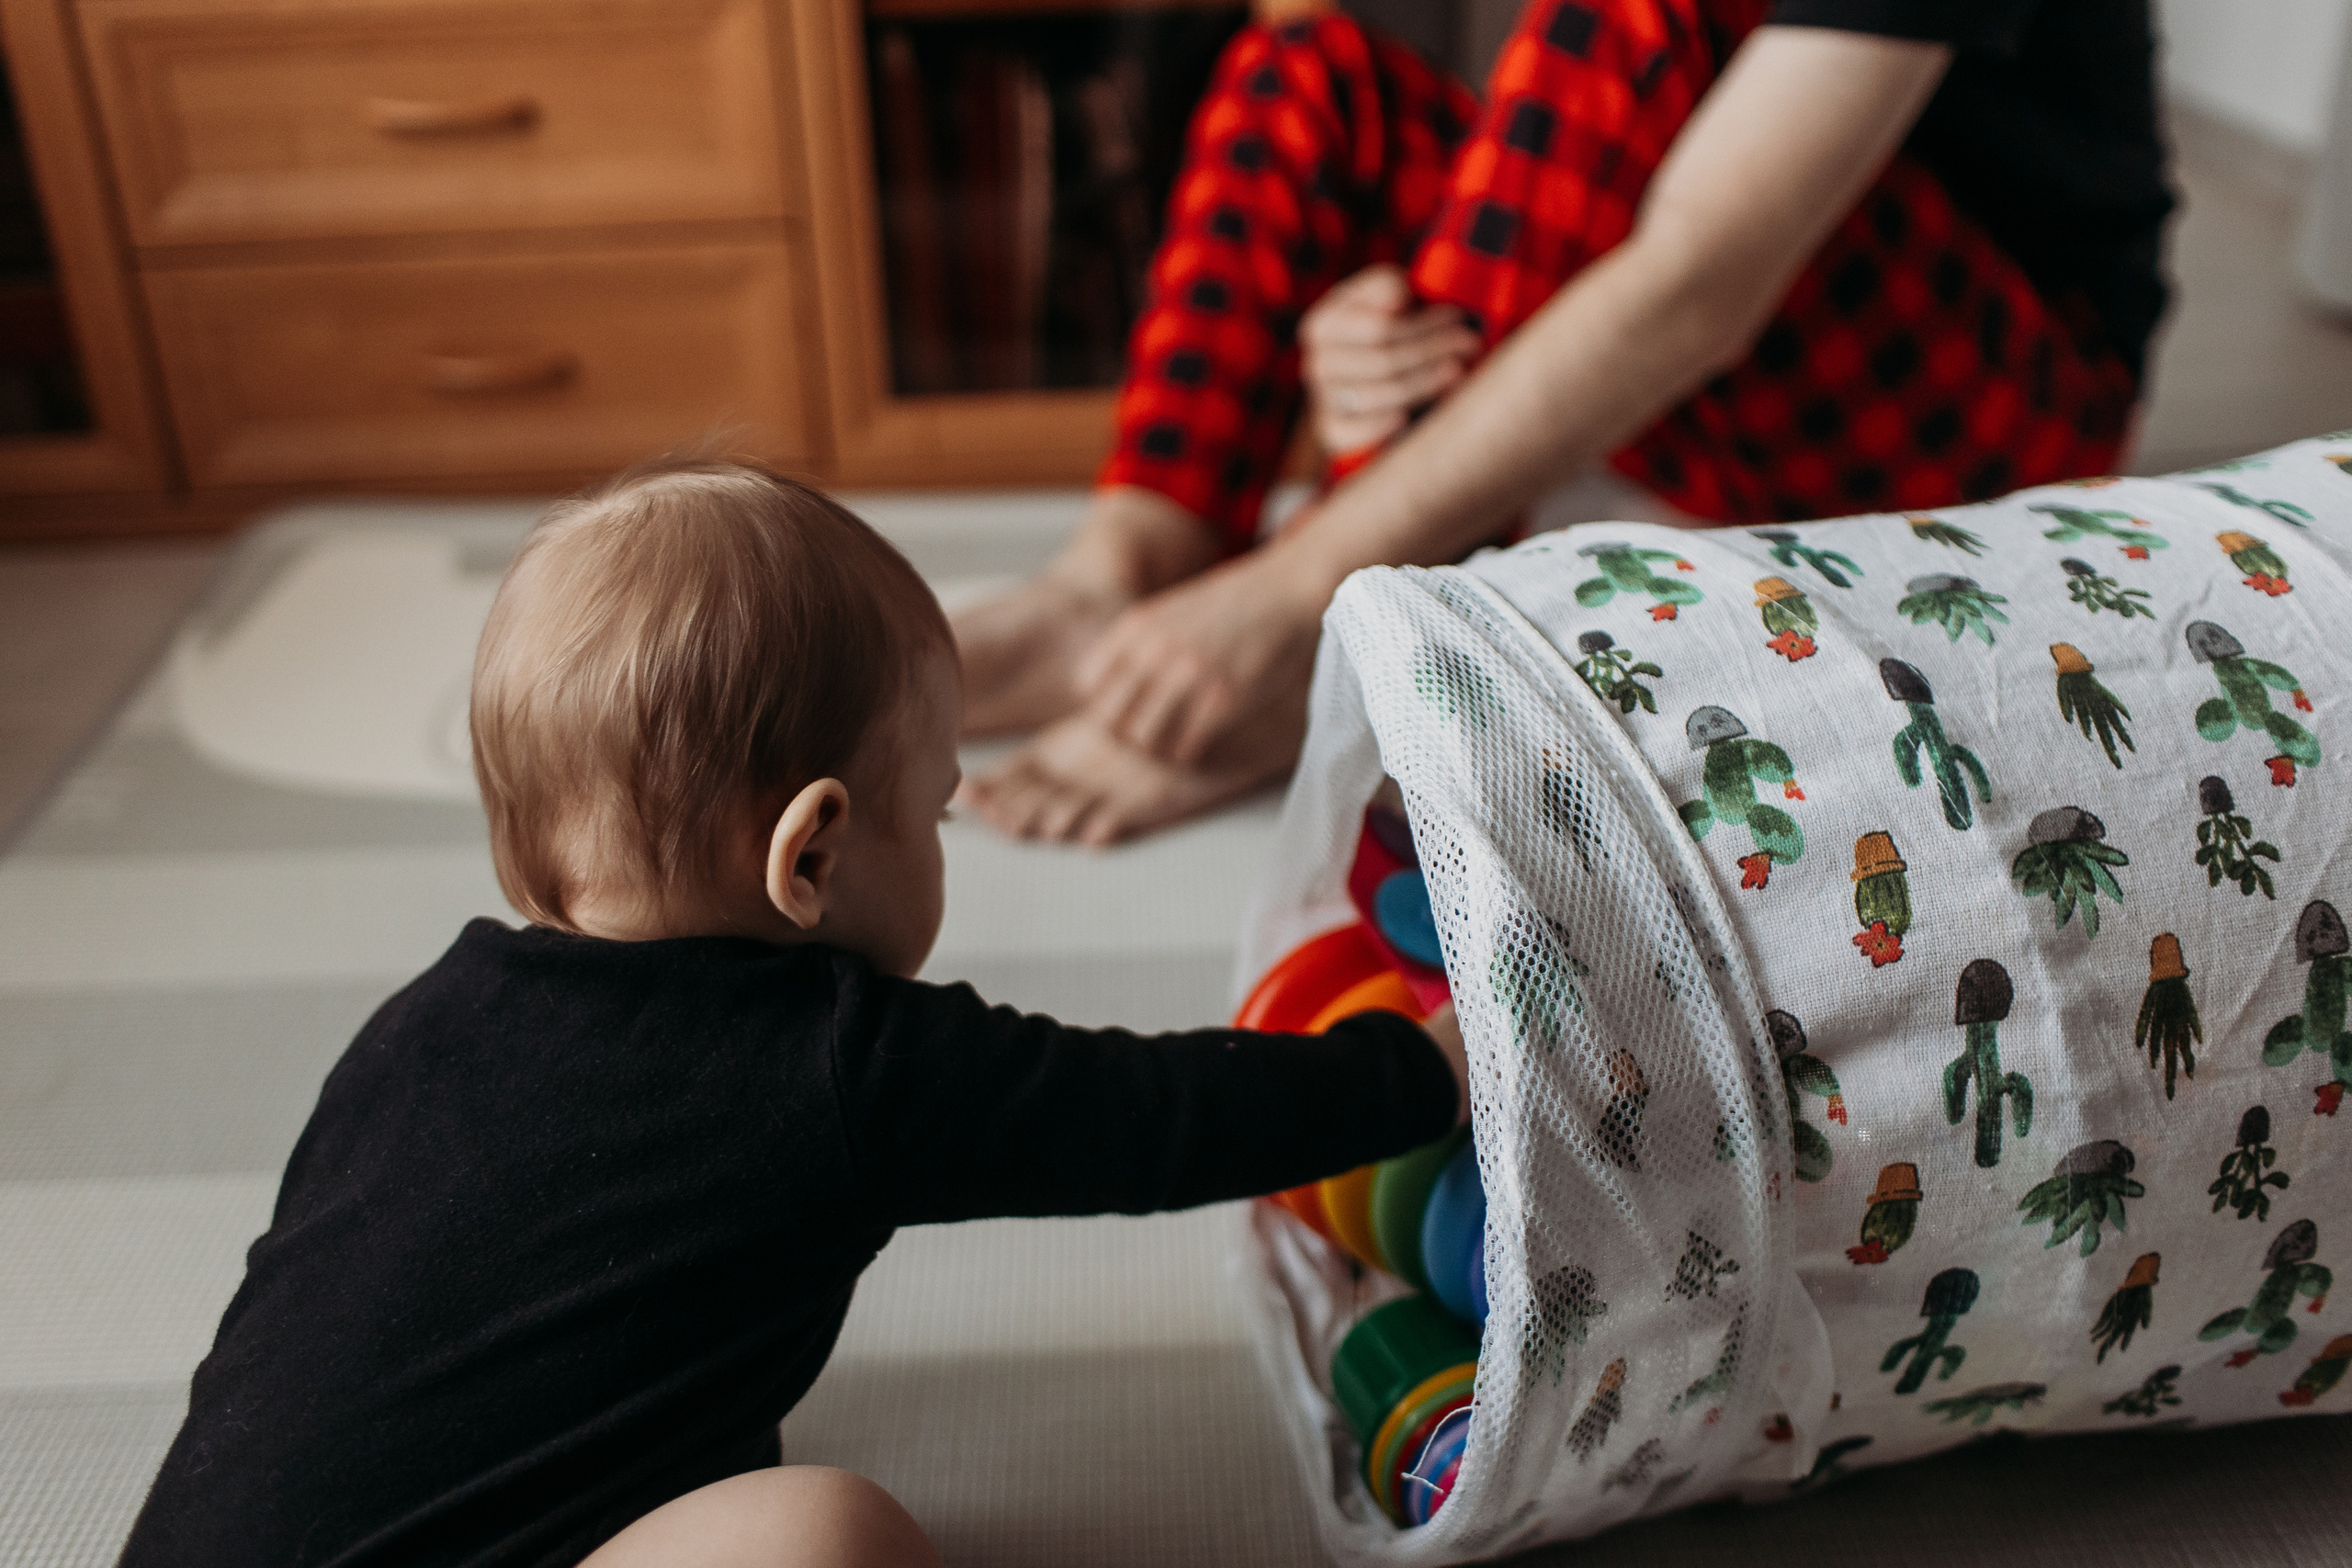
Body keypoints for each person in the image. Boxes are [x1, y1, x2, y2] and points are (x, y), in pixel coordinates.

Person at [113, 459, 1466, 1568]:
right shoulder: (839, 1063)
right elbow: (1153, 1116)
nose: (940, 841)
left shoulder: (415, 1026)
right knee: (829, 1533)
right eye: (934, 813)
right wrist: (1416, 1071)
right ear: (810, 854)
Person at [955, 0, 2172, 846]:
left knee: (1635, 11)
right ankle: (1119, 576)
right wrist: (1371, 316)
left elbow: (1703, 270)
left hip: (2000, 405)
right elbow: (1554, 164)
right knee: (1309, 73)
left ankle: (1344, 633)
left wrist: (1289, 588)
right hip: (1755, 348)